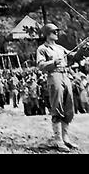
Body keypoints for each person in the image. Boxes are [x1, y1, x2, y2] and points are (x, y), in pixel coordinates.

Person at [36, 23, 88, 151]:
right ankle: (57, 139)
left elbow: (73, 58)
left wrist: (82, 48)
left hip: (66, 76)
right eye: (54, 32)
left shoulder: (60, 48)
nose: (57, 33)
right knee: (57, 105)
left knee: (68, 105)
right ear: (47, 34)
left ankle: (65, 138)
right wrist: (53, 63)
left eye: (57, 31)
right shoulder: (42, 49)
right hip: (54, 76)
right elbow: (40, 65)